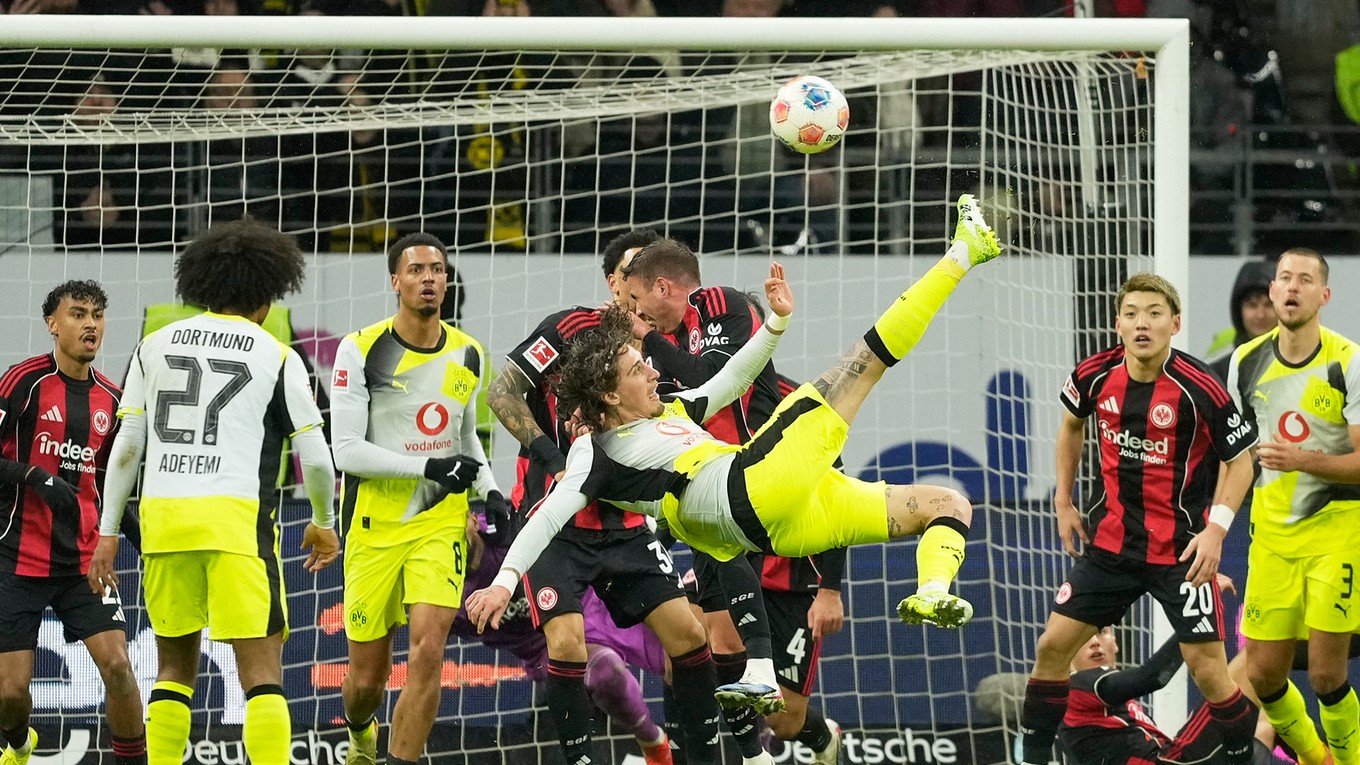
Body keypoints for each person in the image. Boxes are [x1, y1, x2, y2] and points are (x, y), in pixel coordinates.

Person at [468, 191, 1002, 644]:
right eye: (637, 369)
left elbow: (729, 379)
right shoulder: (593, 453)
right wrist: (503, 581)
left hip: (776, 529)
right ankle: (963, 252)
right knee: (864, 363)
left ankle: (933, 591)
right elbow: (545, 516)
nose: (653, 371)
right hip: (754, 485)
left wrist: (775, 325)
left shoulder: (674, 409)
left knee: (948, 505)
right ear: (609, 395)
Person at [486, 228, 755, 765]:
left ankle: (701, 757)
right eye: (634, 276)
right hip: (555, 515)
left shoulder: (658, 349)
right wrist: (554, 459)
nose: (646, 290)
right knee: (568, 644)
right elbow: (501, 390)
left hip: (626, 520)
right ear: (615, 282)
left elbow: (698, 401)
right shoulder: (569, 328)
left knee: (689, 635)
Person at [89, 218, 341, 765]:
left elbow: (126, 446)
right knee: (262, 674)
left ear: (202, 286)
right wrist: (324, 522)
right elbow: (317, 457)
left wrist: (108, 532)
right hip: (236, 525)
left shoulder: (153, 346)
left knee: (173, 670)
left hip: (164, 523)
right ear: (266, 298)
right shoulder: (277, 355)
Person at [1018, 273, 1260, 765]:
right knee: (1052, 648)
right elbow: (1070, 425)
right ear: (1118, 323)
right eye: (1131, 314)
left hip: (1181, 551)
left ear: (1175, 324)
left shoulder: (1200, 387)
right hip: (1110, 547)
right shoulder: (1093, 374)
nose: (1141, 323)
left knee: (1210, 672)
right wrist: (1063, 500)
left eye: (1153, 313)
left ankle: (1241, 758)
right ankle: (1033, 757)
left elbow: (1241, 462)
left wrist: (1216, 530)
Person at [329, 232, 508, 765]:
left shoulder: (468, 352)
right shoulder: (361, 349)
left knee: (430, 650)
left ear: (446, 280)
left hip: (440, 522)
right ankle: (361, 732)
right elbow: (346, 451)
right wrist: (428, 466)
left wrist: (490, 490)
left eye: (437, 269)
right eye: (416, 270)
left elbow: (464, 435)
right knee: (366, 681)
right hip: (374, 523)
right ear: (396, 281)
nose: (428, 278)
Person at [0, 281, 145, 765]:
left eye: (97, 315)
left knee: (119, 668)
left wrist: (142, 541)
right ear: (52, 324)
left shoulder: (113, 400)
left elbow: (111, 488)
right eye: (78, 314)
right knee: (11, 695)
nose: (90, 324)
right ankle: (19, 745)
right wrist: (35, 477)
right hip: (15, 559)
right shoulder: (22, 382)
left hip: (84, 561)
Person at [1227, 247, 1360, 765]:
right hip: (1271, 540)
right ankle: (1314, 756)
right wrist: (1214, 527)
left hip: (1336, 535)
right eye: (1284, 278)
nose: (1292, 287)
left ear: (1323, 295)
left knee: (1326, 674)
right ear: (1274, 288)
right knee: (1262, 674)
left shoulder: (1347, 361)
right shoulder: (1245, 361)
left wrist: (1302, 460)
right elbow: (1236, 457)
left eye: (1305, 280)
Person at [1057, 577, 1261, 765]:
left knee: (1260, 714)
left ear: (1115, 644)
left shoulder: (1103, 714)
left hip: (1167, 755)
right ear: (1069, 654)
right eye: (1084, 637)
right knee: (1250, 666)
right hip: (1172, 761)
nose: (1094, 642)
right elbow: (1153, 676)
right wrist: (1196, 616)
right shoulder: (1075, 688)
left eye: (1102, 632)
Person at [1205, 258, 1276, 382]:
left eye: (1269, 305)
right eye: (1252, 305)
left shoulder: (1302, 363)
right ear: (1238, 311)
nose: (1261, 315)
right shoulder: (1216, 372)